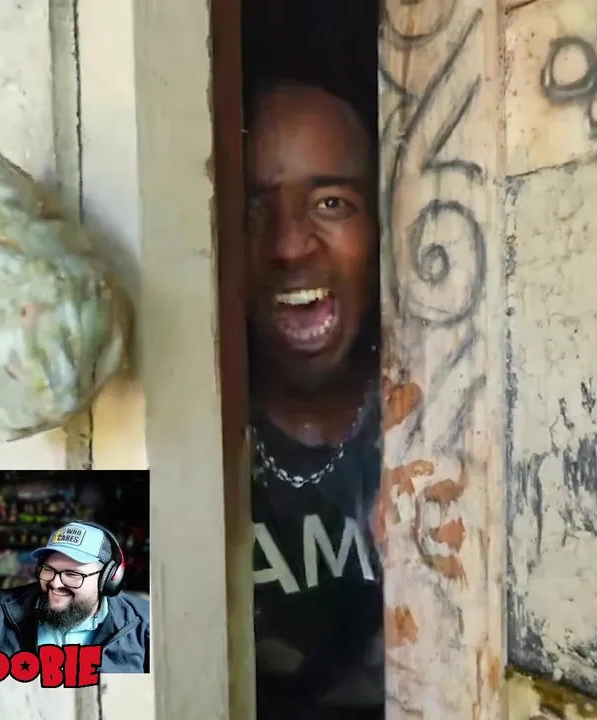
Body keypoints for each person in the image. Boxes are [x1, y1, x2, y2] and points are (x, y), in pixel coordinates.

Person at [245, 75, 383, 717]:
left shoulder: (449, 414)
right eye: (254, 211)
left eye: (331, 203)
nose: (289, 244)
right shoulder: (177, 444)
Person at [0, 521, 149, 674]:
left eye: (72, 574)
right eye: (49, 569)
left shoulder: (146, 624)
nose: (55, 584)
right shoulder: (5, 607)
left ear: (108, 579)